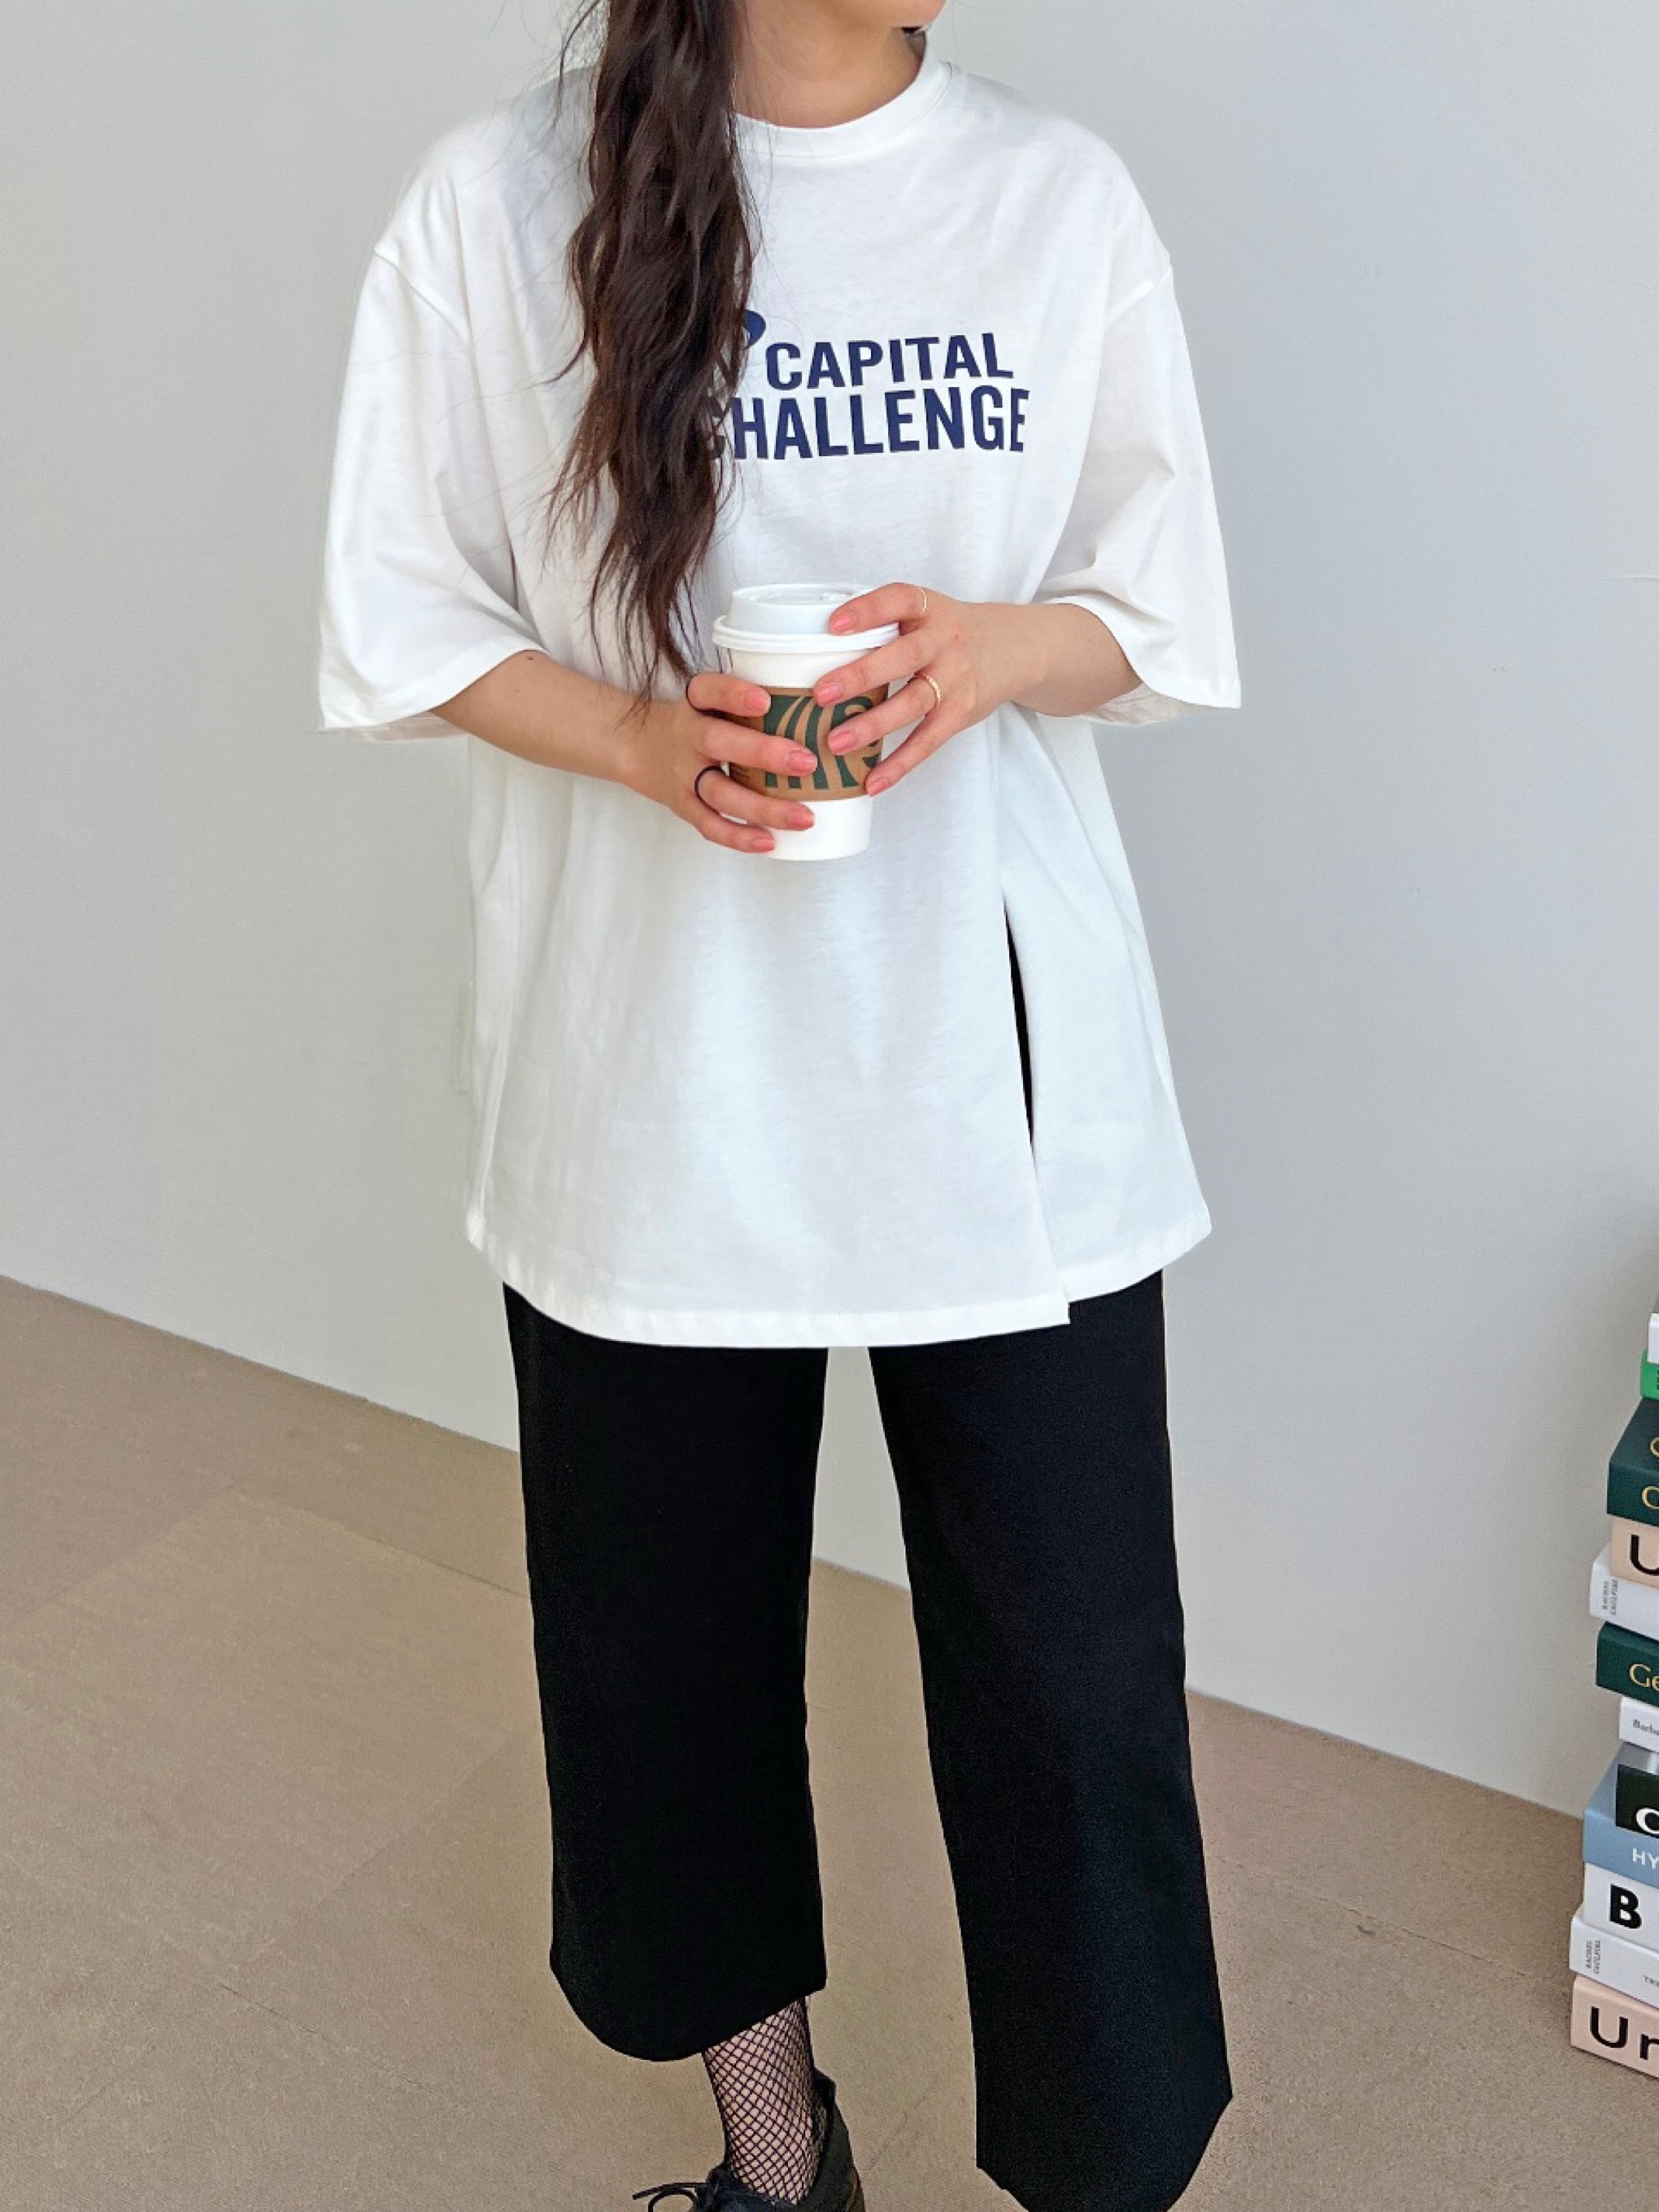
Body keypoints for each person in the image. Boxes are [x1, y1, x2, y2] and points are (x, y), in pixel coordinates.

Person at [315, 4, 1241, 2208]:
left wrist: (990, 654)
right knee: (669, 1671)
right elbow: (400, 613)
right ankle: (774, 2152)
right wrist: (644, 743)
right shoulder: (499, 202)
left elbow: (1157, 604)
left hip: (1002, 1089)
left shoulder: (1055, 198)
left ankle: (1100, 2182)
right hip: (653, 1084)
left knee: (1078, 1697)